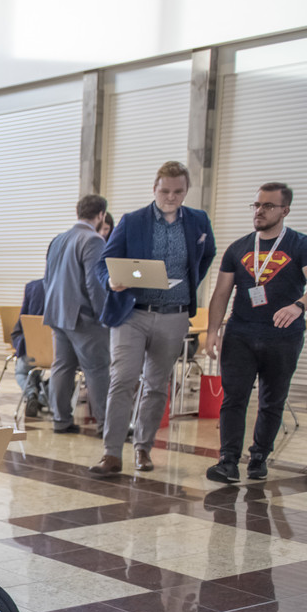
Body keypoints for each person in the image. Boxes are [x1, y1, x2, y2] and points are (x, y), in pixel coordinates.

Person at [203, 183, 307, 483]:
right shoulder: (238, 248)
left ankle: (259, 458)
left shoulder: (301, 245)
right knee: (233, 399)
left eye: (268, 206)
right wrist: (212, 332)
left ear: (285, 210)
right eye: (257, 205)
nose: (259, 211)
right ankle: (227, 461)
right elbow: (221, 293)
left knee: (272, 399)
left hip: (283, 336)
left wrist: (299, 306)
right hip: (240, 334)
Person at [94, 161, 216, 475]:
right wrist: (111, 280)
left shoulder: (199, 221)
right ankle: (111, 454)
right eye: (165, 191)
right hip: (132, 313)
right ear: (154, 189)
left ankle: (143, 449)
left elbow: (207, 255)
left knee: (157, 385)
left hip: (174, 315)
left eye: (178, 191)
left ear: (186, 191)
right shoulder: (132, 221)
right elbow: (103, 262)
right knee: (123, 380)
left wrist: (188, 285)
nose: (171, 197)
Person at [43, 195, 112, 436]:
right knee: (98, 369)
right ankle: (106, 425)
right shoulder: (93, 240)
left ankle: (60, 420)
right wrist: (104, 316)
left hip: (57, 314)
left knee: (62, 367)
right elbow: (95, 283)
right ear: (101, 215)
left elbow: (47, 278)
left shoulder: (58, 239)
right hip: (83, 317)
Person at [11, 278, 47, 418]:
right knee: (66, 374)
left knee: (21, 372)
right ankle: (44, 397)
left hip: (32, 347)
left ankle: (32, 394)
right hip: (59, 351)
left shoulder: (32, 287)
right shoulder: (70, 286)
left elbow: (22, 320)